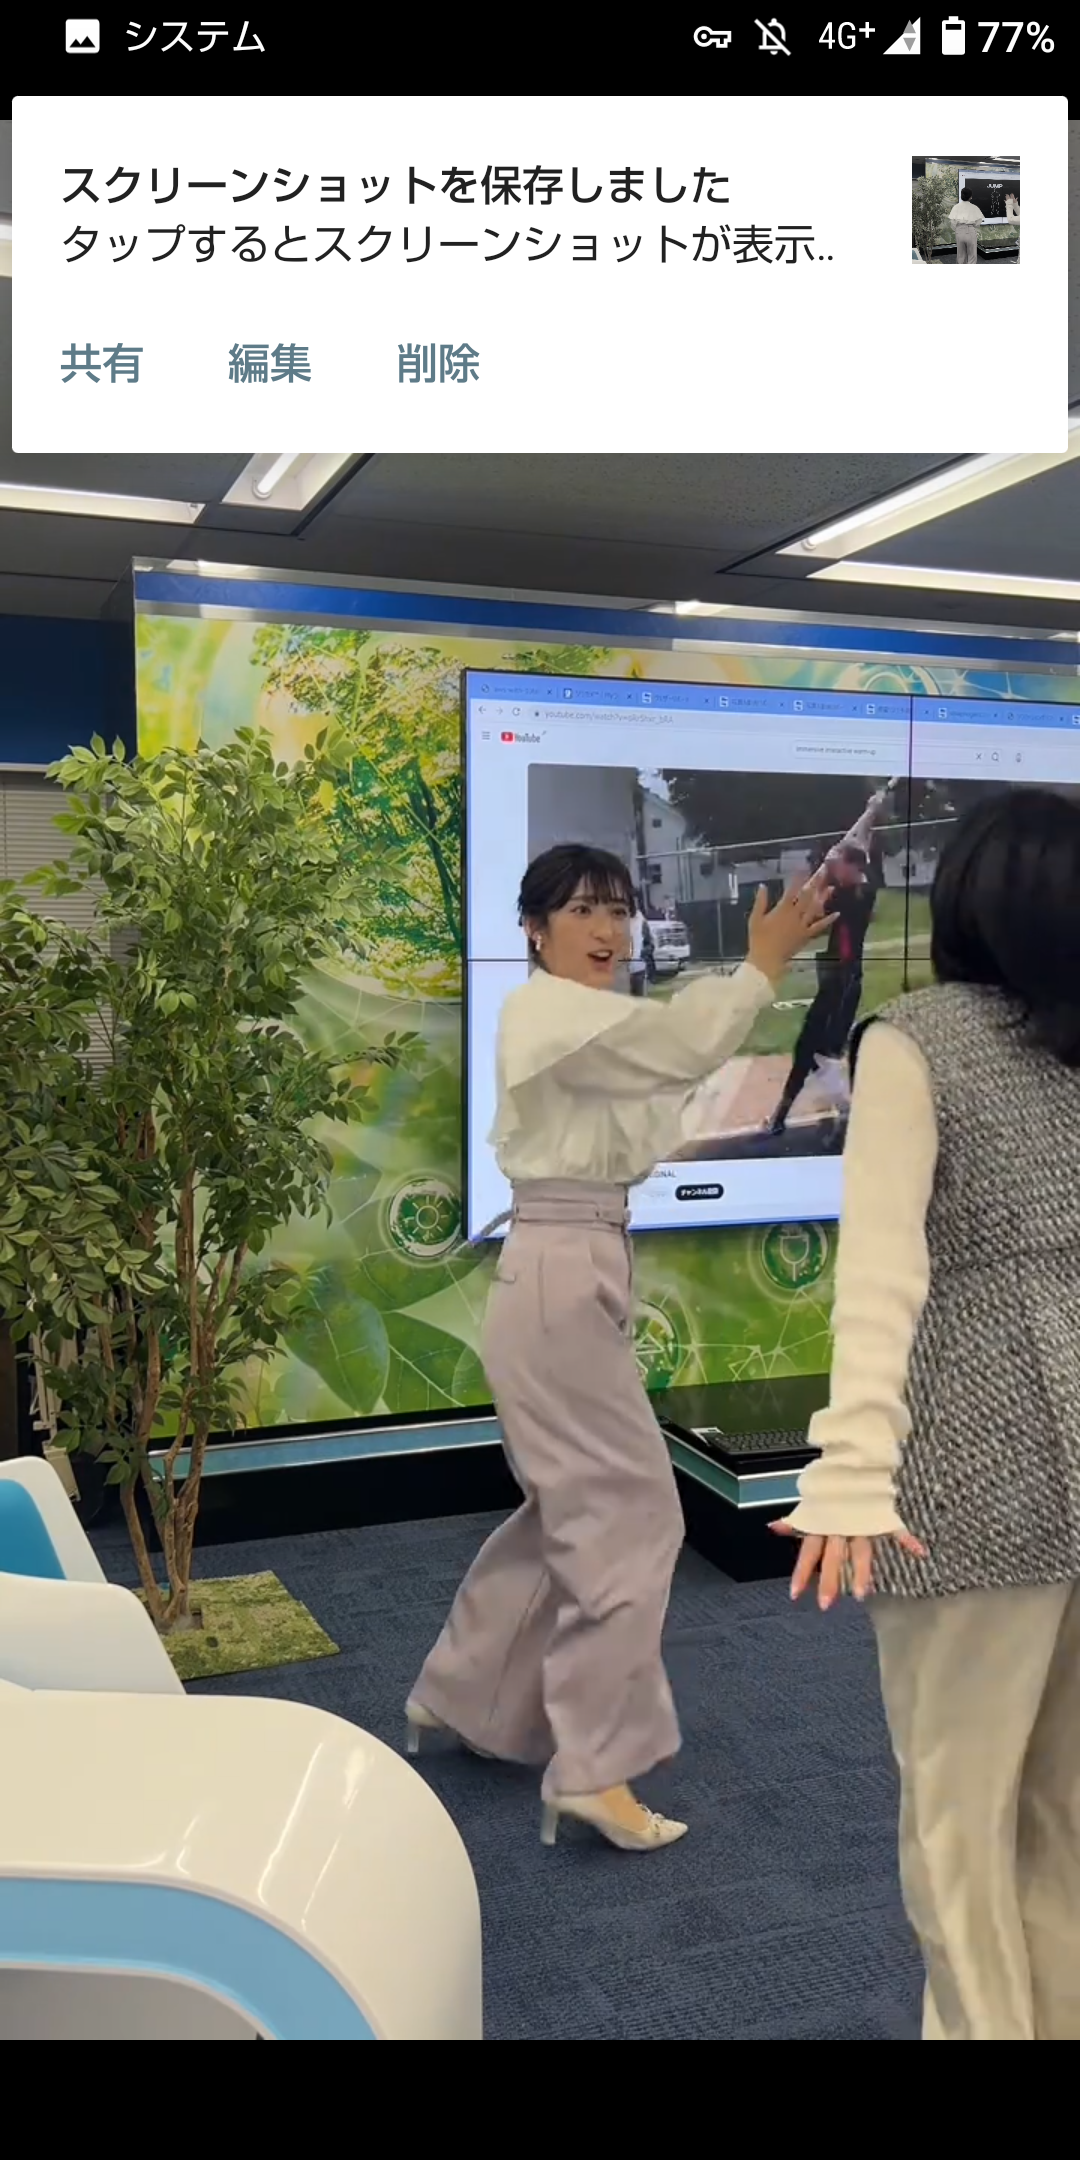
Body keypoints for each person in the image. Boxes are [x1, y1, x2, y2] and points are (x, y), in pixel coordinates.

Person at [406, 842, 834, 1853]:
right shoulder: (544, 1012)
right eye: (582, 910)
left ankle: (463, 1693)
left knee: (568, 1510)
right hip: (560, 1273)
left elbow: (662, 1098)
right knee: (637, 1515)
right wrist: (761, 969)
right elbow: (680, 1046)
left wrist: (734, 1027)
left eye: (618, 911)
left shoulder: (579, 1025)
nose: (607, 931)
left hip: (578, 1266)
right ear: (533, 928)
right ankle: (594, 1769)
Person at [776, 787, 1080, 2041]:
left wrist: (850, 1472)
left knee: (958, 1822)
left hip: (974, 1462)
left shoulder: (916, 1040)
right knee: (1064, 1817)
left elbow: (883, 1271)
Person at [766, 785, 892, 1136]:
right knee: (813, 1048)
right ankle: (788, 1114)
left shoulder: (853, 895)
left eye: (840, 867)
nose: (834, 870)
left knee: (821, 1053)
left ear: (852, 869)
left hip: (844, 982)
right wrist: (870, 812)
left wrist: (827, 868)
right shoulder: (859, 882)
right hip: (835, 977)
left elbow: (823, 890)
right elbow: (859, 846)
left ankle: (846, 1112)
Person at [947, 186, 985, 264]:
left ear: (961, 195)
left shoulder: (956, 207)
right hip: (971, 231)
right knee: (972, 256)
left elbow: (952, 222)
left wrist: (958, 229)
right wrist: (973, 225)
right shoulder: (974, 207)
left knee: (960, 256)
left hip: (959, 231)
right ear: (971, 197)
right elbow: (979, 221)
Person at [627, 891, 649, 997]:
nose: (634, 905)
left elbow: (649, 942)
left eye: (636, 902)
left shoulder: (640, 918)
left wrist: (643, 954)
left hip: (639, 969)